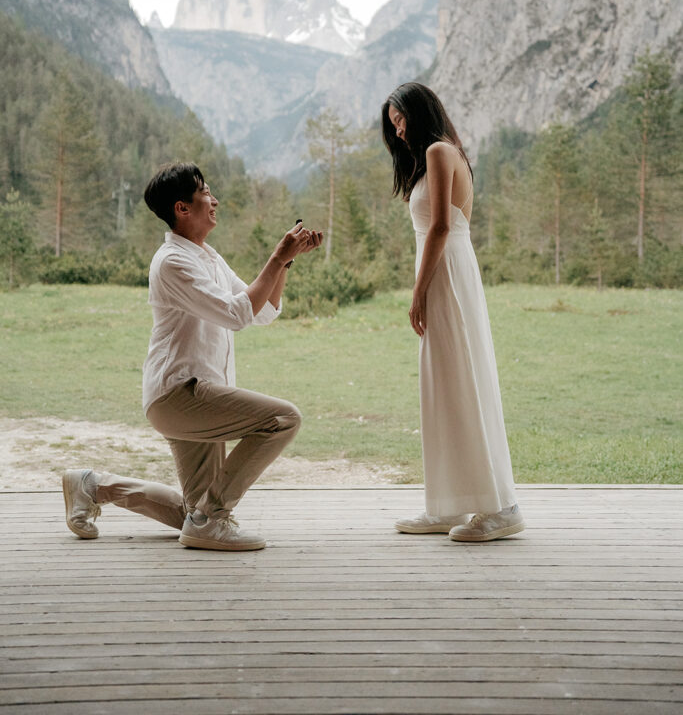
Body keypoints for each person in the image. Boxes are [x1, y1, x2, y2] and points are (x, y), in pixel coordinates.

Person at [62, 162, 322, 551]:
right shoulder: (172, 262)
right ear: (182, 208)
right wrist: (274, 257)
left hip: (199, 394)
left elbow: (261, 311)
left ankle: (92, 485)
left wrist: (284, 261)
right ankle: (212, 518)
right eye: (206, 194)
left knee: (190, 510)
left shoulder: (208, 257)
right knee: (284, 418)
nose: (214, 200)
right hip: (180, 393)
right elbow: (237, 315)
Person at [381, 83, 525, 543]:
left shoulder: (442, 151)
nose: (397, 130)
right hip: (442, 270)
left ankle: (503, 507)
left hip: (447, 273)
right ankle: (447, 503)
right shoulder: (432, 158)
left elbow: (442, 226)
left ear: (420, 113)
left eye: (400, 119)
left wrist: (418, 291)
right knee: (443, 386)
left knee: (464, 380)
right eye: (392, 124)